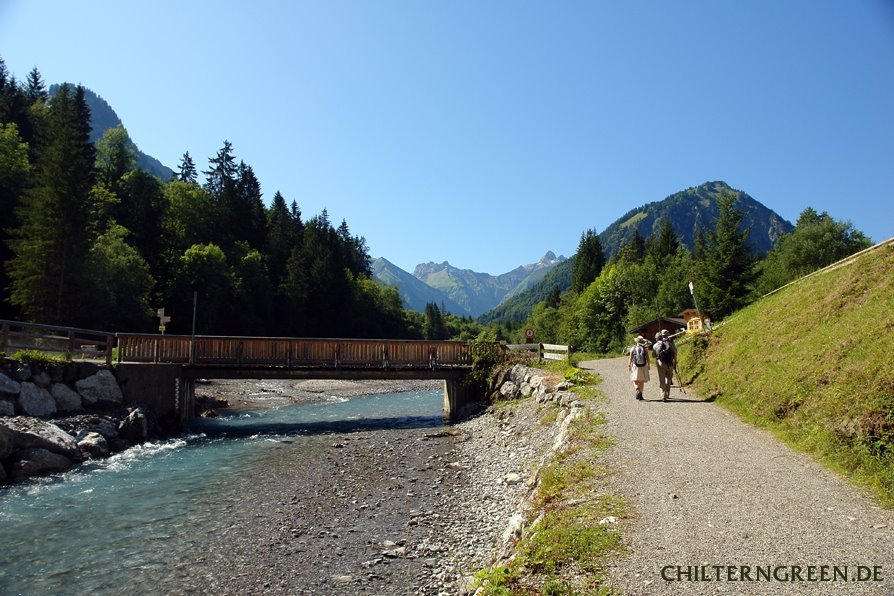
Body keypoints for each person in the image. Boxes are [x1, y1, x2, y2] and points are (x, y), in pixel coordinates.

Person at [653, 329, 678, 401]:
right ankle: (667, 394)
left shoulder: (655, 345)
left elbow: (654, 355)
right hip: (670, 363)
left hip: (660, 363)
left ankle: (663, 395)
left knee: (662, 379)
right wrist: (675, 361)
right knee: (669, 379)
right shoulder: (670, 343)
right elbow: (675, 352)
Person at [627, 335, 650, 400]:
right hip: (643, 365)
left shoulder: (633, 348)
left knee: (634, 380)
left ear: (636, 341)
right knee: (642, 381)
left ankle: (637, 389)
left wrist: (629, 365)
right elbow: (647, 358)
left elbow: (631, 358)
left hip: (635, 365)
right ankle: (641, 395)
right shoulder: (645, 349)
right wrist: (649, 365)